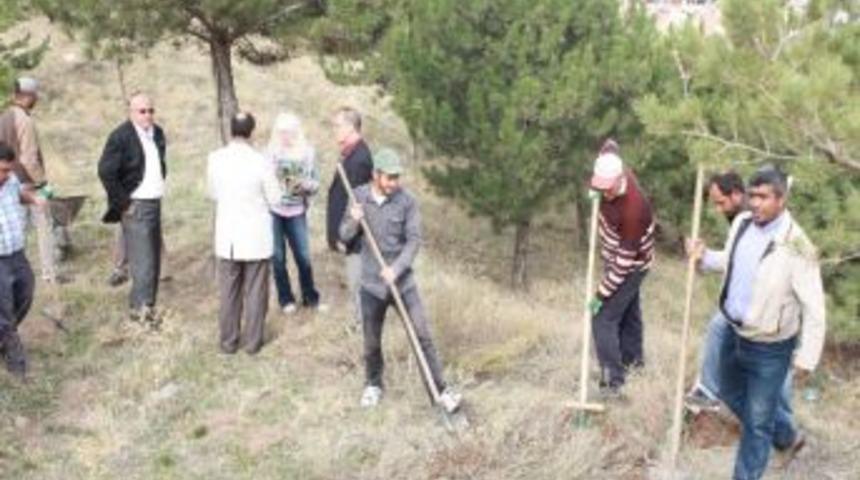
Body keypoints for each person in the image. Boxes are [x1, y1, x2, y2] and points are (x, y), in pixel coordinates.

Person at [689, 166, 825, 480]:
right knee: (728, 390)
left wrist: (807, 358)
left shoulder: (798, 246)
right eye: (752, 196)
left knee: (757, 422)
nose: (755, 203)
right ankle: (787, 436)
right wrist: (704, 256)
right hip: (733, 332)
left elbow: (815, 308)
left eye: (763, 197)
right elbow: (731, 261)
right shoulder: (742, 223)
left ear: (782, 199)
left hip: (770, 347)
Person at [339, 148, 460, 411]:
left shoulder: (407, 201)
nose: (394, 182)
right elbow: (344, 236)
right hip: (371, 285)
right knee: (371, 341)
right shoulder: (358, 197)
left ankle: (439, 391)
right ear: (376, 175)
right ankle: (373, 385)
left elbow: (414, 240)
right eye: (389, 177)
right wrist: (354, 221)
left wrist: (396, 269)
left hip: (403, 283)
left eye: (397, 177)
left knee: (422, 335)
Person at [207, 112, 282, 355]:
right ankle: (252, 342)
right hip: (255, 236)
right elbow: (275, 198)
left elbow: (213, 193)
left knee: (228, 292)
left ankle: (228, 342)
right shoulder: (261, 161)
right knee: (256, 291)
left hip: (228, 235)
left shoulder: (215, 158)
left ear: (231, 130)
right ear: (252, 132)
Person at [587, 139, 655, 395]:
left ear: (619, 179)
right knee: (629, 313)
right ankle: (634, 363)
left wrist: (600, 294)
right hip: (617, 255)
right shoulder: (612, 166)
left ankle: (612, 382)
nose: (604, 193)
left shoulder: (634, 209)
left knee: (603, 318)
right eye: (599, 187)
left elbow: (623, 265)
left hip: (632, 265)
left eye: (607, 188)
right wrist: (597, 190)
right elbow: (610, 146)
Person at [97, 92, 167, 326]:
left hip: (154, 203)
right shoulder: (121, 136)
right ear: (131, 112)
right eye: (142, 111)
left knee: (154, 261)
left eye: (151, 110)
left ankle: (148, 308)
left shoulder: (157, 133)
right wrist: (124, 203)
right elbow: (106, 171)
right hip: (136, 206)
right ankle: (140, 314)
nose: (148, 115)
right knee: (143, 263)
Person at [0, 77, 67, 283]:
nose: (37, 99)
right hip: (27, 183)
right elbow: (29, 159)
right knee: (44, 227)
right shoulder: (25, 120)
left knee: (15, 229)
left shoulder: (4, 117)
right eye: (35, 95)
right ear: (28, 96)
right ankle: (50, 274)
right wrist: (43, 183)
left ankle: (12, 273)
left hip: (7, 182)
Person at [267, 112, 325, 314]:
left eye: (289, 132)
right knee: (278, 258)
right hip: (274, 212)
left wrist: (305, 185)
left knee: (303, 256)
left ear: (296, 131)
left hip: (297, 211)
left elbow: (316, 183)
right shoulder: (271, 152)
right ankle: (286, 299)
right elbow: (265, 181)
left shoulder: (307, 152)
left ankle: (310, 297)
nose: (285, 136)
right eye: (281, 132)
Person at [0, 142, 47, 380]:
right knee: (4, 311)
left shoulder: (10, 181)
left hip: (17, 253)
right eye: (2, 170)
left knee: (26, 293)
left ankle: (3, 336)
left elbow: (19, 194)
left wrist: (34, 199)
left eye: (9, 170)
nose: (6, 175)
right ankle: (17, 367)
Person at [325, 107, 373, 323]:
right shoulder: (351, 154)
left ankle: (363, 331)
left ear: (350, 127)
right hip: (351, 235)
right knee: (356, 285)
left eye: (337, 126)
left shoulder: (359, 159)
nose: (334, 130)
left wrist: (346, 237)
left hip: (356, 239)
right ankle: (359, 326)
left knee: (358, 285)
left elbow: (357, 204)